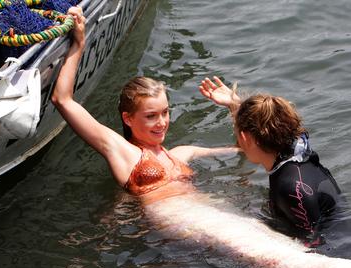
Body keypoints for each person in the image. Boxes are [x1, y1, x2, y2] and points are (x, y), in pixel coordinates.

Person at [51, 7, 238, 204]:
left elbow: (242, 150)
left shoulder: (182, 153)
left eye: (165, 113)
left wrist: (233, 105)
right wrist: (79, 44)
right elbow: (62, 100)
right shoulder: (125, 152)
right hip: (184, 226)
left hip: (206, 214)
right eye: (151, 116)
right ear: (128, 118)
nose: (162, 122)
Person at [199, 77, 344, 246]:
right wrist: (235, 105)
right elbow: (268, 123)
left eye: (236, 133)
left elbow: (315, 248)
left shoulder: (289, 187)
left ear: (246, 137)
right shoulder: (297, 154)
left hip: (337, 252)